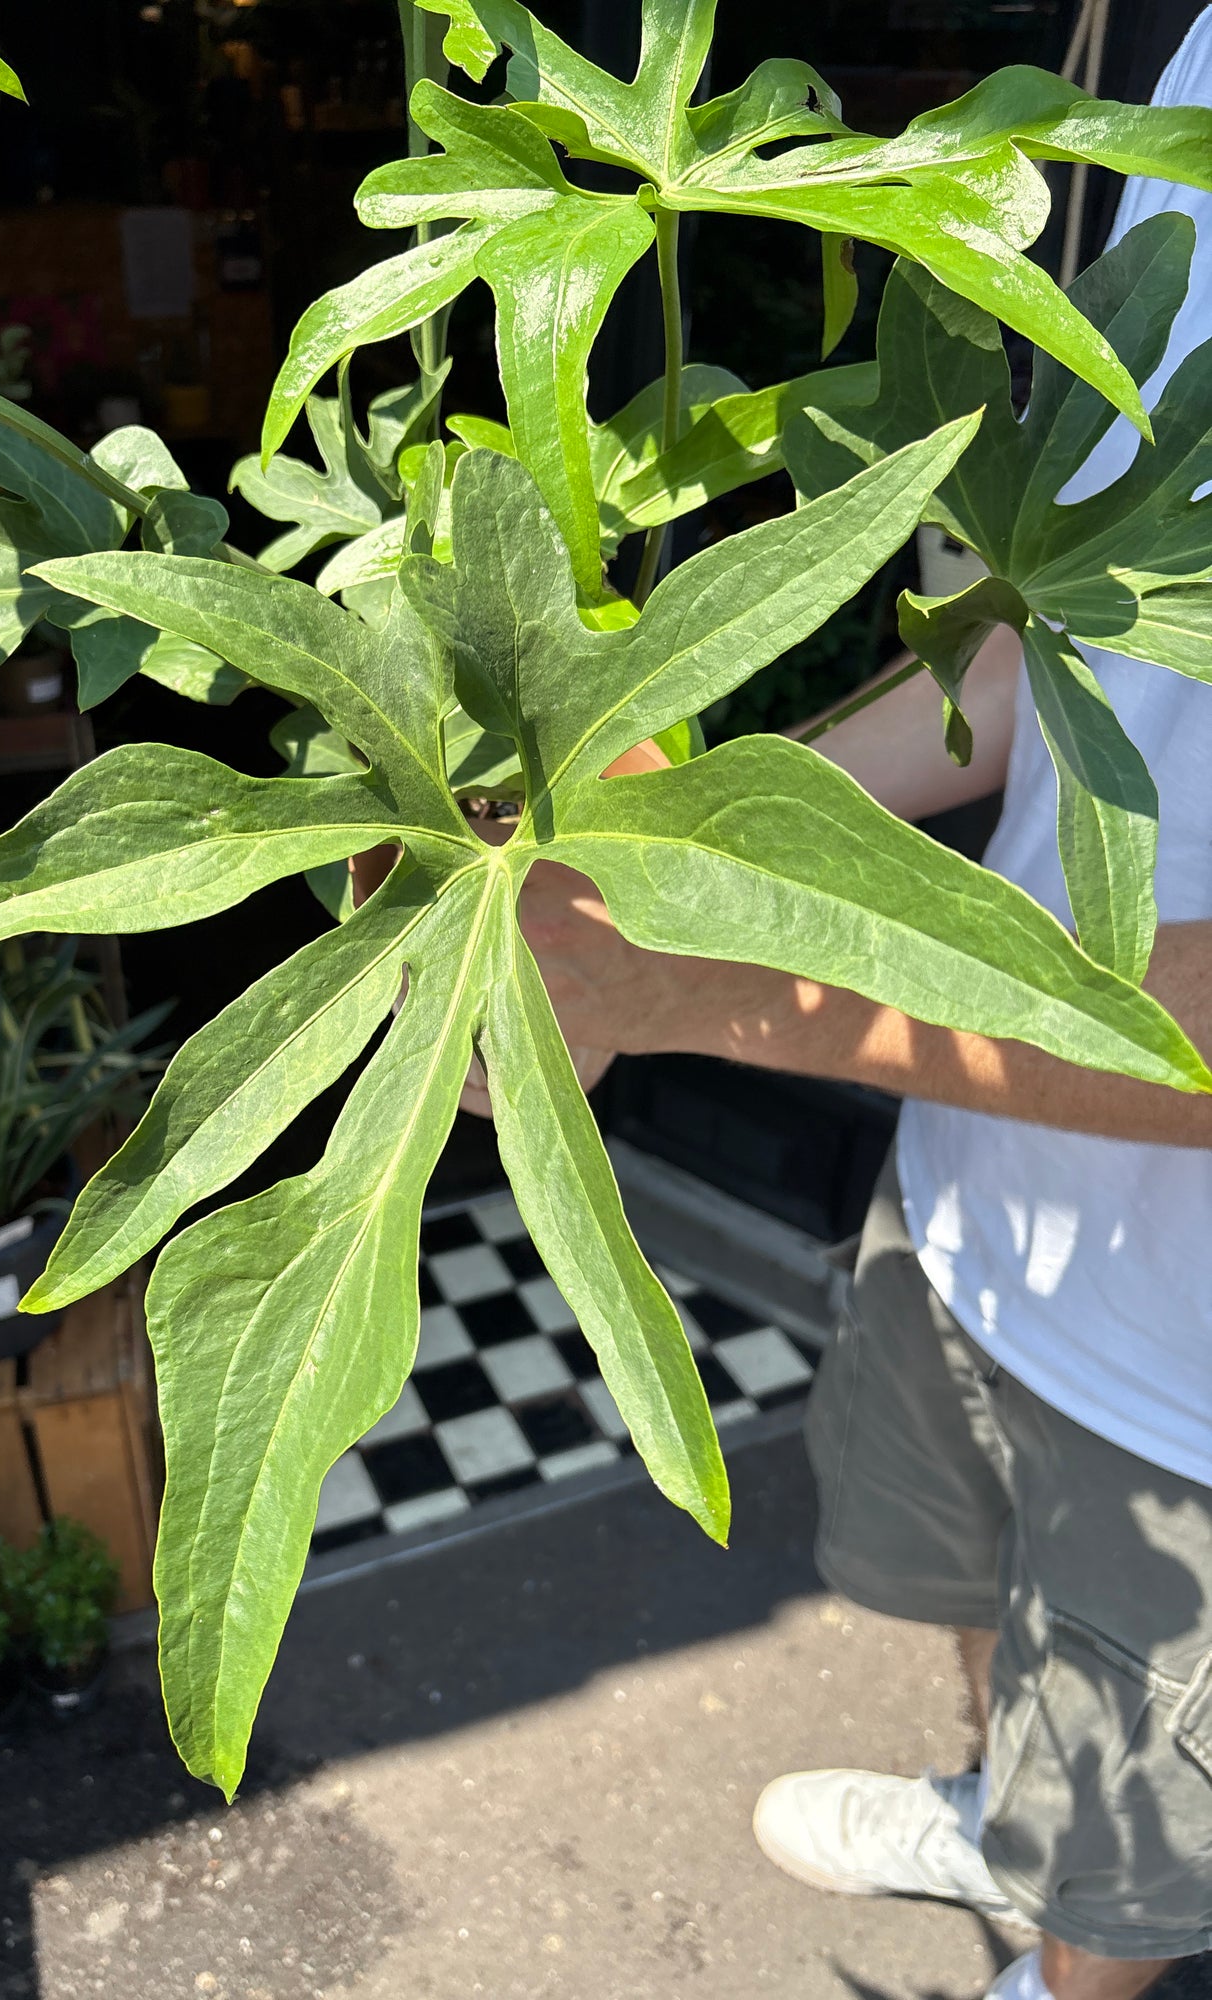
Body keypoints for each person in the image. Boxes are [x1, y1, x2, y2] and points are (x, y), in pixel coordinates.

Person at [508, 15, 1212, 2000]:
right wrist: (721, 841)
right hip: (989, 1173)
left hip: (1199, 1362)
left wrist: (712, 985)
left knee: (1136, 1823)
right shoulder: (1190, 66)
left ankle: (1061, 1967)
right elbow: (1075, 609)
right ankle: (993, 1810)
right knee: (961, 1570)